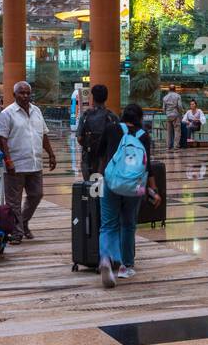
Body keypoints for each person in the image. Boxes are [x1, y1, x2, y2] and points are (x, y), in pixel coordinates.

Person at [97, 103, 161, 288]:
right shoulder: (144, 135)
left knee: (108, 225)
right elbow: (147, 167)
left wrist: (100, 176)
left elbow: (100, 155)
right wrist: (154, 191)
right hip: (134, 187)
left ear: (122, 115)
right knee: (128, 225)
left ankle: (107, 260)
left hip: (111, 183)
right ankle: (126, 265)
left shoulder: (111, 129)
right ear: (140, 119)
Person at [0, 80, 57, 242]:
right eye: (21, 93)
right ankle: (16, 233)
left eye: (27, 93)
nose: (25, 96)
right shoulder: (7, 114)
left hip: (34, 163)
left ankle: (22, 223)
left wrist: (51, 154)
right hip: (15, 164)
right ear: (14, 94)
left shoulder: (37, 111)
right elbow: (2, 139)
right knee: (13, 201)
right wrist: (8, 160)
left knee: (37, 194)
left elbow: (43, 134)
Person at [76, 84, 118, 180]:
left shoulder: (86, 116)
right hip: (108, 159)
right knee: (104, 188)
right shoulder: (112, 117)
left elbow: (79, 138)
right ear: (106, 97)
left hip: (88, 158)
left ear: (93, 97)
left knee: (91, 188)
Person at [161, 86, 182, 151]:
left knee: (168, 131)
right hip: (176, 114)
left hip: (168, 115)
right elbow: (179, 106)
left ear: (169, 89)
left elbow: (163, 108)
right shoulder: (178, 96)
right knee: (177, 131)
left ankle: (168, 146)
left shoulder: (165, 97)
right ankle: (176, 146)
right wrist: (180, 113)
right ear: (175, 89)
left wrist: (166, 113)